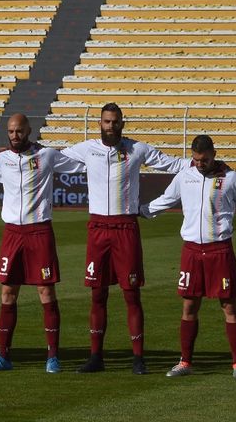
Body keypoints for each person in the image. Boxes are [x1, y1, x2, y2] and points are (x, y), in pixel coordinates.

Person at [61, 103, 191, 374]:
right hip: (97, 228)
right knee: (98, 294)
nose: (110, 126)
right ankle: (96, 357)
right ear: (100, 123)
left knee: (131, 294)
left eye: (115, 122)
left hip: (126, 227)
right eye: (106, 122)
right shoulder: (87, 149)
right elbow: (48, 158)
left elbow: (175, 164)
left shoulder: (137, 149)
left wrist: (207, 160)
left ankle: (138, 358)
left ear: (122, 123)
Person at [142, 135, 236, 379]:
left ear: (214, 154)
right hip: (191, 251)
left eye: (205, 159)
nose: (200, 164)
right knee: (189, 306)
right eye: (196, 159)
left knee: (229, 306)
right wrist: (140, 211)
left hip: (219, 250)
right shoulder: (184, 176)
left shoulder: (230, 178)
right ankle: (185, 361)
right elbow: (167, 200)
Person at [0, 113, 85, 373]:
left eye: (20, 131)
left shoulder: (47, 155)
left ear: (29, 130)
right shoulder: (2, 158)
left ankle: (53, 357)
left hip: (39, 232)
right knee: (7, 293)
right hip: (12, 234)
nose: (15, 135)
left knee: (46, 292)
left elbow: (81, 163)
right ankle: (3, 356)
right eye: (11, 131)